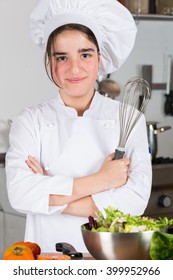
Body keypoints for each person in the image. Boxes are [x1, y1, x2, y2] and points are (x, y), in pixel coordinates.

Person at [5, 0, 152, 253]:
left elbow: (134, 201)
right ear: (50, 62)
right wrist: (102, 180)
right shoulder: (30, 121)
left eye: (85, 54)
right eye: (62, 57)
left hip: (108, 261)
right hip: (47, 260)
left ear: (100, 59)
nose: (74, 67)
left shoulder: (129, 118)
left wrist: (49, 194)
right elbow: (20, 194)